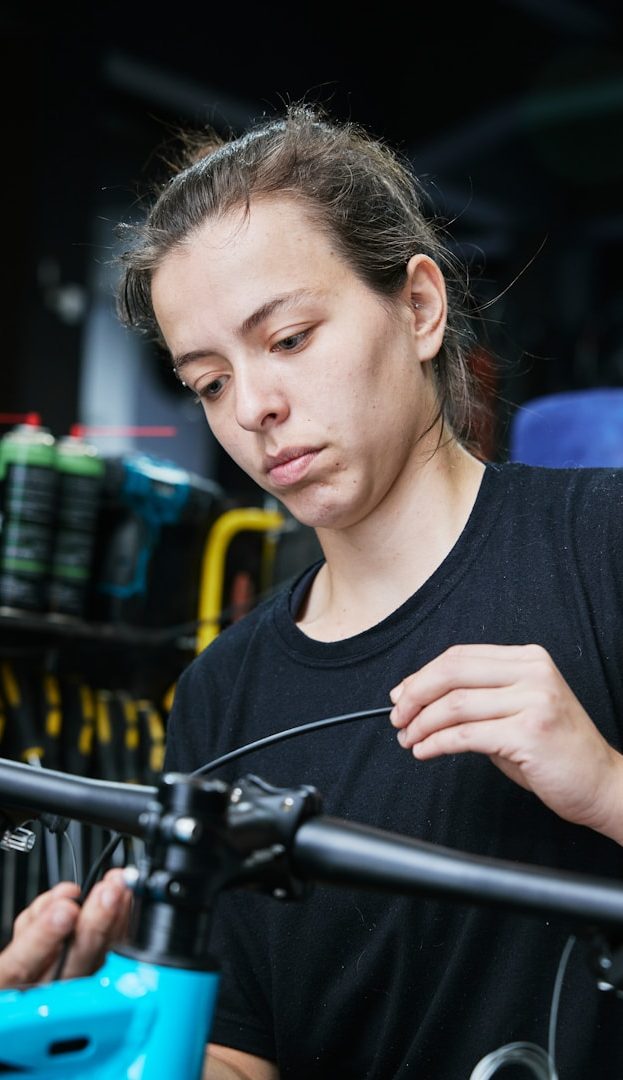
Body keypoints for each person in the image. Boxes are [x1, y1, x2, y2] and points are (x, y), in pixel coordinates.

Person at [3, 102, 623, 1078]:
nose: (253, 407)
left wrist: (605, 786)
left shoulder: (600, 543)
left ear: (418, 309)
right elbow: (242, 1054)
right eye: (209, 382)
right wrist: (71, 1049)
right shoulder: (221, 694)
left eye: (288, 338)